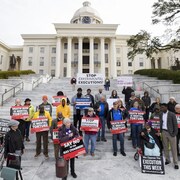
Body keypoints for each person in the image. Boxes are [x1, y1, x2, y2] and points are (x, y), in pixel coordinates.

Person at [160, 103, 179, 169]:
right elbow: (161, 123)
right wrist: (161, 131)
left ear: (166, 107)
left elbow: (175, 125)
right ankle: (167, 160)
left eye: (162, 107)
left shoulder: (172, 114)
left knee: (174, 148)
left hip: (171, 133)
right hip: (164, 132)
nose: (161, 109)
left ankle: (176, 163)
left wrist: (174, 133)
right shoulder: (161, 114)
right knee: (165, 147)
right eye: (161, 107)